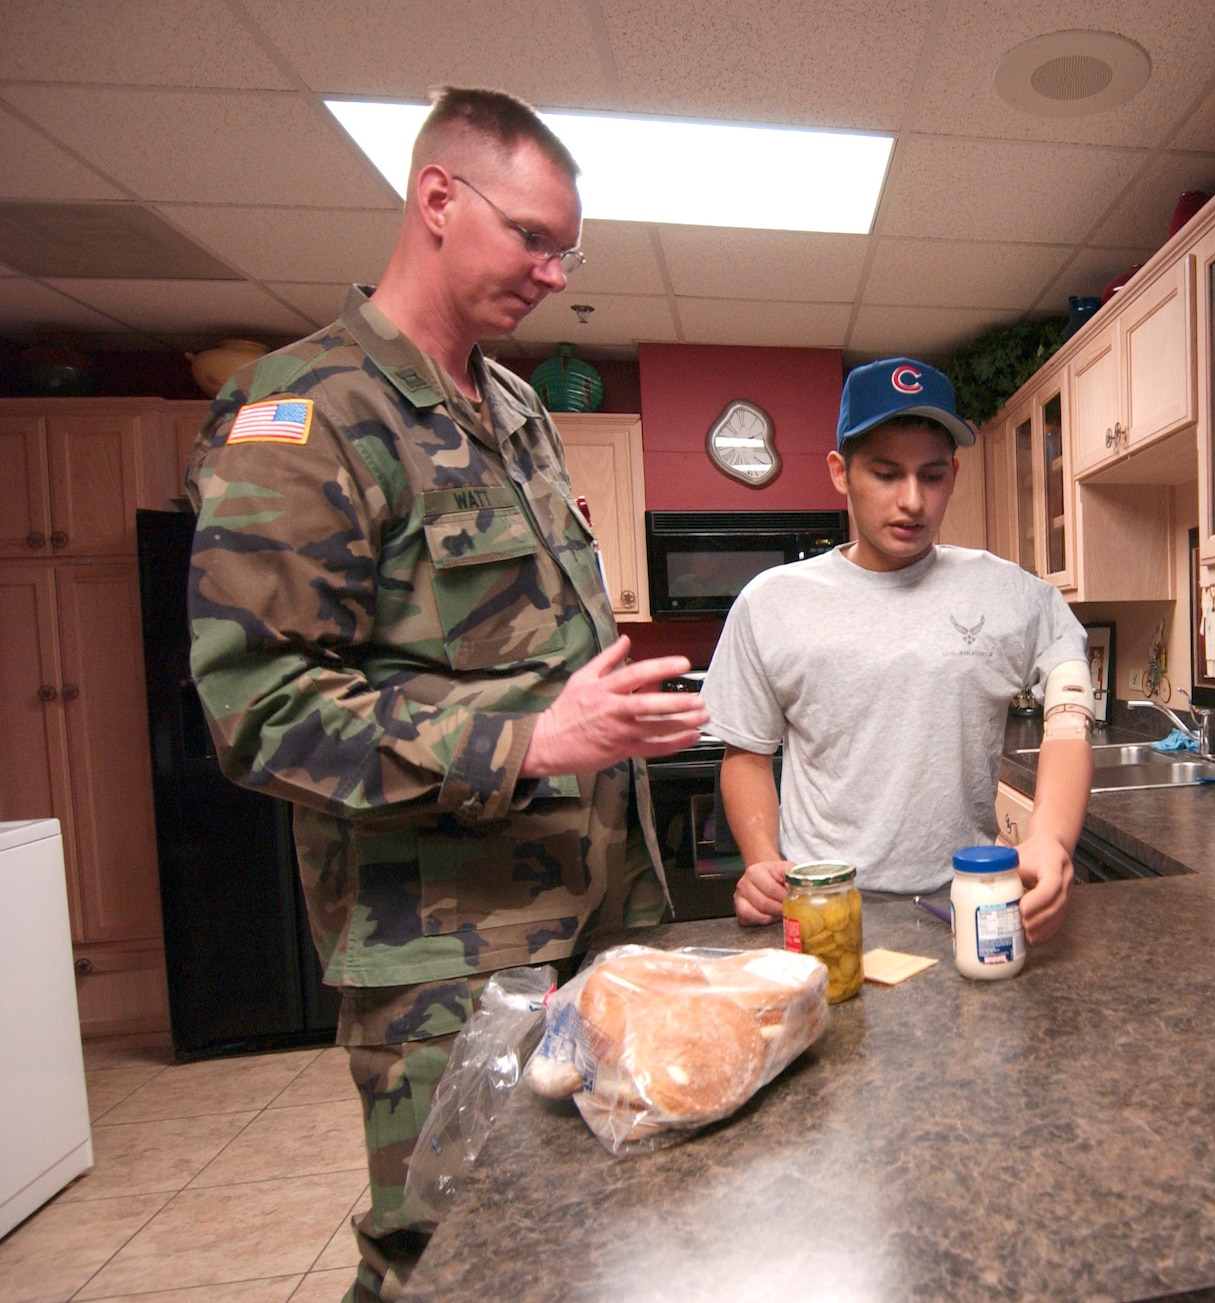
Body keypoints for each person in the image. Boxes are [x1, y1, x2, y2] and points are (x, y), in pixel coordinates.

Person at [183, 87, 708, 1303]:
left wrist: (599, 716)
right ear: (435, 199)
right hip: (444, 949)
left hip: (595, 905)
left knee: (593, 1211)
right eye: (530, 235)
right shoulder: (308, 413)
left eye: (565, 248)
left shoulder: (517, 411)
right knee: (452, 1249)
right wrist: (531, 738)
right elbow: (259, 710)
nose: (551, 269)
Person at [703, 358, 1095, 940]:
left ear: (954, 475)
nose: (912, 500)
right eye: (886, 474)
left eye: (932, 476)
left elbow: (1069, 717)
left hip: (967, 903)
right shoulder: (772, 603)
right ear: (840, 472)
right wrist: (762, 860)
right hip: (824, 906)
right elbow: (747, 754)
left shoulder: (1010, 592)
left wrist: (1050, 839)